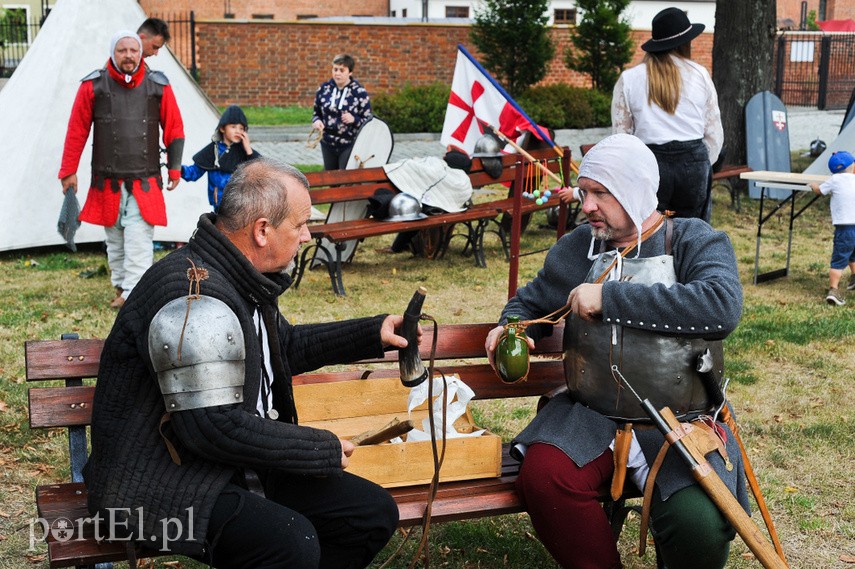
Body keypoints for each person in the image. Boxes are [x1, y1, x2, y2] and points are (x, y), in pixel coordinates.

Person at [83, 158, 404, 568]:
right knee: (289, 543)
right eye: (300, 224)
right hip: (155, 482)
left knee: (370, 514)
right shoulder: (193, 298)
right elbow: (213, 427)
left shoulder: (237, 275)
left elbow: (279, 348)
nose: (307, 236)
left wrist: (371, 333)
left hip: (225, 463)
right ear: (263, 230)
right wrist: (317, 448)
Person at [485, 134, 748, 569]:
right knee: (546, 478)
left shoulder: (693, 240)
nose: (585, 205)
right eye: (584, 192)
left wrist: (610, 298)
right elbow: (528, 303)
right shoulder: (579, 246)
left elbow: (722, 305)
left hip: (680, 420)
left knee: (698, 523)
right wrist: (509, 327)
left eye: (600, 193)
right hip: (592, 411)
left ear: (633, 190)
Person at [59, 30, 184, 309]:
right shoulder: (93, 85)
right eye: (122, 50)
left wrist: (174, 169)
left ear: (141, 52)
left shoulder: (157, 85)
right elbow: (76, 130)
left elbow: (174, 128)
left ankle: (134, 295)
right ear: (113, 53)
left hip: (144, 180)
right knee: (114, 239)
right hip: (107, 181)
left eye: (133, 50)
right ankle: (121, 284)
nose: (128, 55)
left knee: (139, 239)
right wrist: (68, 171)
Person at [611, 7, 723, 222]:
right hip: (693, 162)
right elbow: (713, 131)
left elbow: (621, 135)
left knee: (648, 229)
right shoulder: (699, 74)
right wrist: (702, 162)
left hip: (649, 161)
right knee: (694, 232)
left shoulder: (630, 78)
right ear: (685, 43)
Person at [181, 105, 261, 212]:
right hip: (219, 207)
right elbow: (194, 173)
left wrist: (248, 150)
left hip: (242, 207)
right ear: (222, 128)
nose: (238, 131)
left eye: (241, 128)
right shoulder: (213, 151)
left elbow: (260, 172)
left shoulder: (246, 152)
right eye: (233, 127)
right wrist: (178, 168)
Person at [809, 150, 855, 306]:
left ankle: (833, 290)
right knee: (853, 255)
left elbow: (819, 191)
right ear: (852, 166)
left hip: (844, 228)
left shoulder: (834, 180)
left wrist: (813, 186)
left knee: (839, 259)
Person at [311, 54, 372, 170]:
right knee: (330, 178)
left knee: (345, 179)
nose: (337, 73)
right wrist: (317, 121)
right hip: (327, 142)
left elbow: (368, 121)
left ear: (350, 72)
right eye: (335, 69)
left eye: (341, 70)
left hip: (349, 143)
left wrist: (354, 119)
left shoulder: (359, 92)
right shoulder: (324, 89)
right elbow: (316, 113)